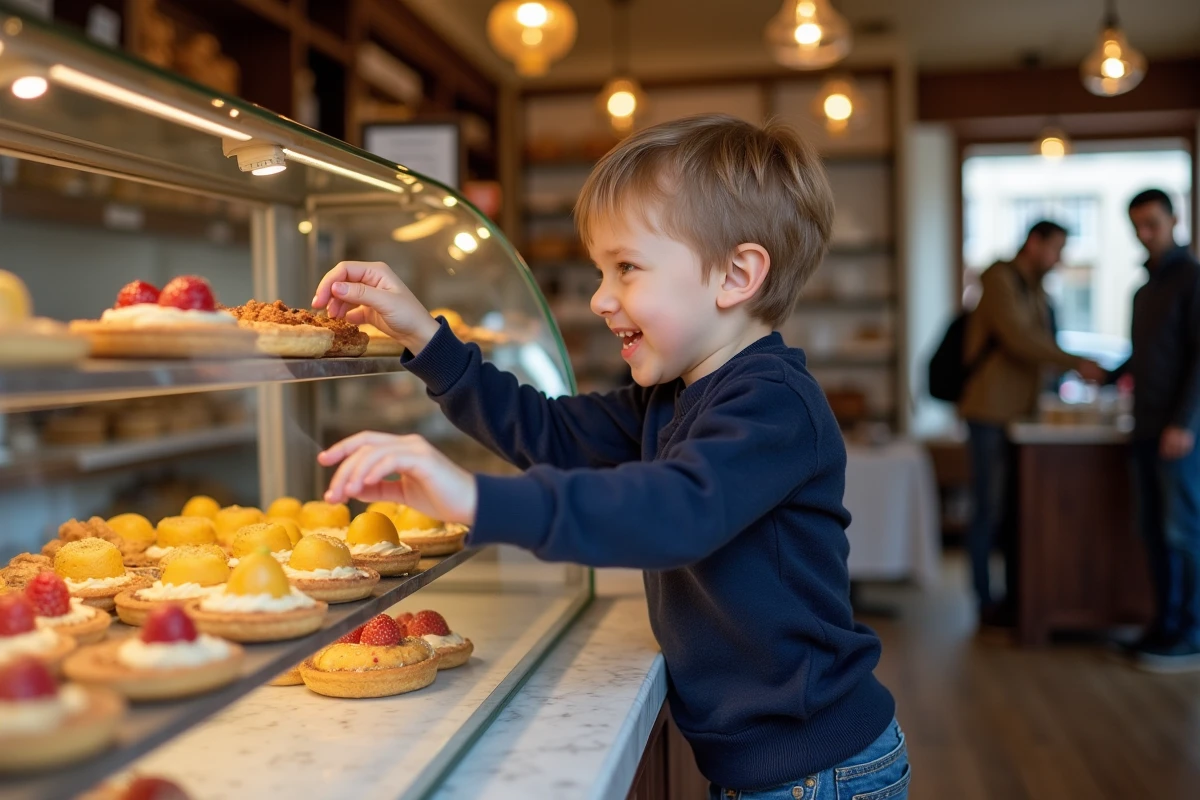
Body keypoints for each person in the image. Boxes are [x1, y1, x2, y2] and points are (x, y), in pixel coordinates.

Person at [313, 115, 909, 799]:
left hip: (819, 771)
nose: (600, 298)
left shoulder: (772, 404)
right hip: (773, 770)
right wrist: (423, 335)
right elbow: (550, 433)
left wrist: (478, 499)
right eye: (601, 270)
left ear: (737, 275)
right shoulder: (672, 397)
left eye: (626, 267)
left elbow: (673, 512)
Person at [959, 221, 1104, 627]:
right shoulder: (1001, 282)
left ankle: (1015, 597)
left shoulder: (1035, 288)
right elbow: (1020, 338)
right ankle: (985, 602)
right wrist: (1076, 362)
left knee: (1013, 510)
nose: (1059, 259)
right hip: (989, 411)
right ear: (1034, 243)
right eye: (1056, 249)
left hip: (1019, 414)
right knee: (988, 509)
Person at [1110, 189, 1200, 672]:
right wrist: (1102, 374)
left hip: (1177, 432)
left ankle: (1191, 631)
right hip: (1143, 428)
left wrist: (1183, 423)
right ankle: (1162, 625)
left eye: (1152, 224)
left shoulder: (1192, 279)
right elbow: (1143, 357)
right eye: (1138, 226)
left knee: (1183, 532)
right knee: (1153, 533)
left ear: (1174, 220)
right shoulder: (1144, 290)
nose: (1145, 234)